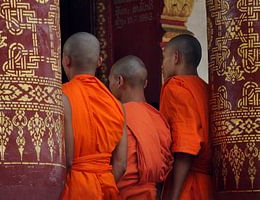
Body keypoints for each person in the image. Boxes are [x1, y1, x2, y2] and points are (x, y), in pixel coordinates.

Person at [61, 32, 127, 200]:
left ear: (66, 60)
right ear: (99, 62)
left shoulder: (61, 97)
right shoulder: (116, 104)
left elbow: (68, 161)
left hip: (74, 188)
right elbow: (121, 165)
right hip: (107, 188)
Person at [109, 55, 173, 200]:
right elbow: (167, 164)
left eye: (110, 80)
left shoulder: (115, 115)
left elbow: (115, 164)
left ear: (119, 80)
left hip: (121, 194)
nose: (109, 86)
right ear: (145, 84)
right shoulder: (159, 119)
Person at [160, 34, 213, 200]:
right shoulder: (206, 89)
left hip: (188, 186)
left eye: (164, 58)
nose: (162, 66)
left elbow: (186, 146)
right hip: (210, 185)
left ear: (176, 58)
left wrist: (174, 195)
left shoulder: (176, 87)